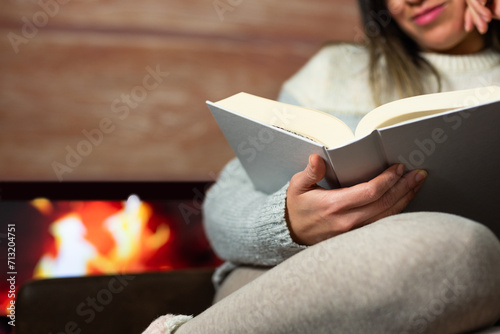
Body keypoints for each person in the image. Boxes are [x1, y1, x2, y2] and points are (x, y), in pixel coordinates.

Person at [142, 0, 500, 333]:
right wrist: (289, 225)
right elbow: (221, 209)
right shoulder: (334, 72)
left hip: (470, 287)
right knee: (456, 249)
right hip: (297, 276)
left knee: (466, 255)